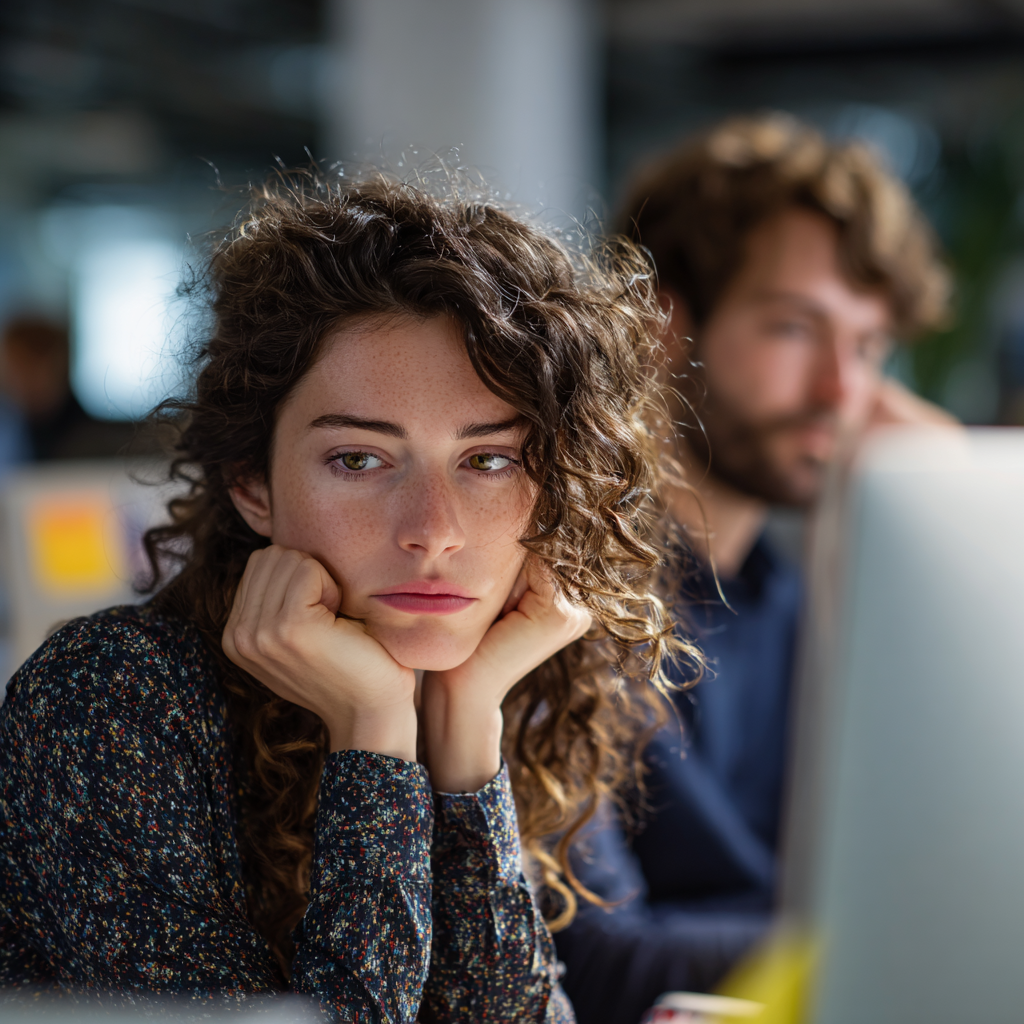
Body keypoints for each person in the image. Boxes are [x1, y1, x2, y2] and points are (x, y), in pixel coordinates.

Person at [0, 174, 695, 1021]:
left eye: (489, 460)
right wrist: (372, 734)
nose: (433, 530)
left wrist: (466, 725)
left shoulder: (496, 678)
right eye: (359, 460)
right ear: (252, 484)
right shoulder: (110, 695)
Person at [554, 113, 955, 1024]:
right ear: (662, 324)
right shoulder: (561, 596)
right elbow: (589, 963)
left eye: (865, 347)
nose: (840, 393)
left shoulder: (791, 598)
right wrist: (899, 933)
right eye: (792, 329)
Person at [0, 316, 137, 460]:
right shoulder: (16, 429)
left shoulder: (89, 442)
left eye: (21, 368)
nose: (9, 379)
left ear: (54, 365)